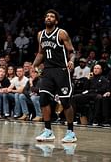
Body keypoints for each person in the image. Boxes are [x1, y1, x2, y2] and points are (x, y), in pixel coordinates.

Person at [33, 9, 77, 143]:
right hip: (48, 71)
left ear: (56, 21)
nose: (49, 18)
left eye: (52, 16)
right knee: (43, 99)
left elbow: (72, 51)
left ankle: (70, 132)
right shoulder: (40, 34)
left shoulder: (61, 33)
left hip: (61, 70)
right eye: (47, 16)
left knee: (65, 102)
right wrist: (34, 65)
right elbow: (41, 53)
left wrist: (71, 61)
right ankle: (48, 131)